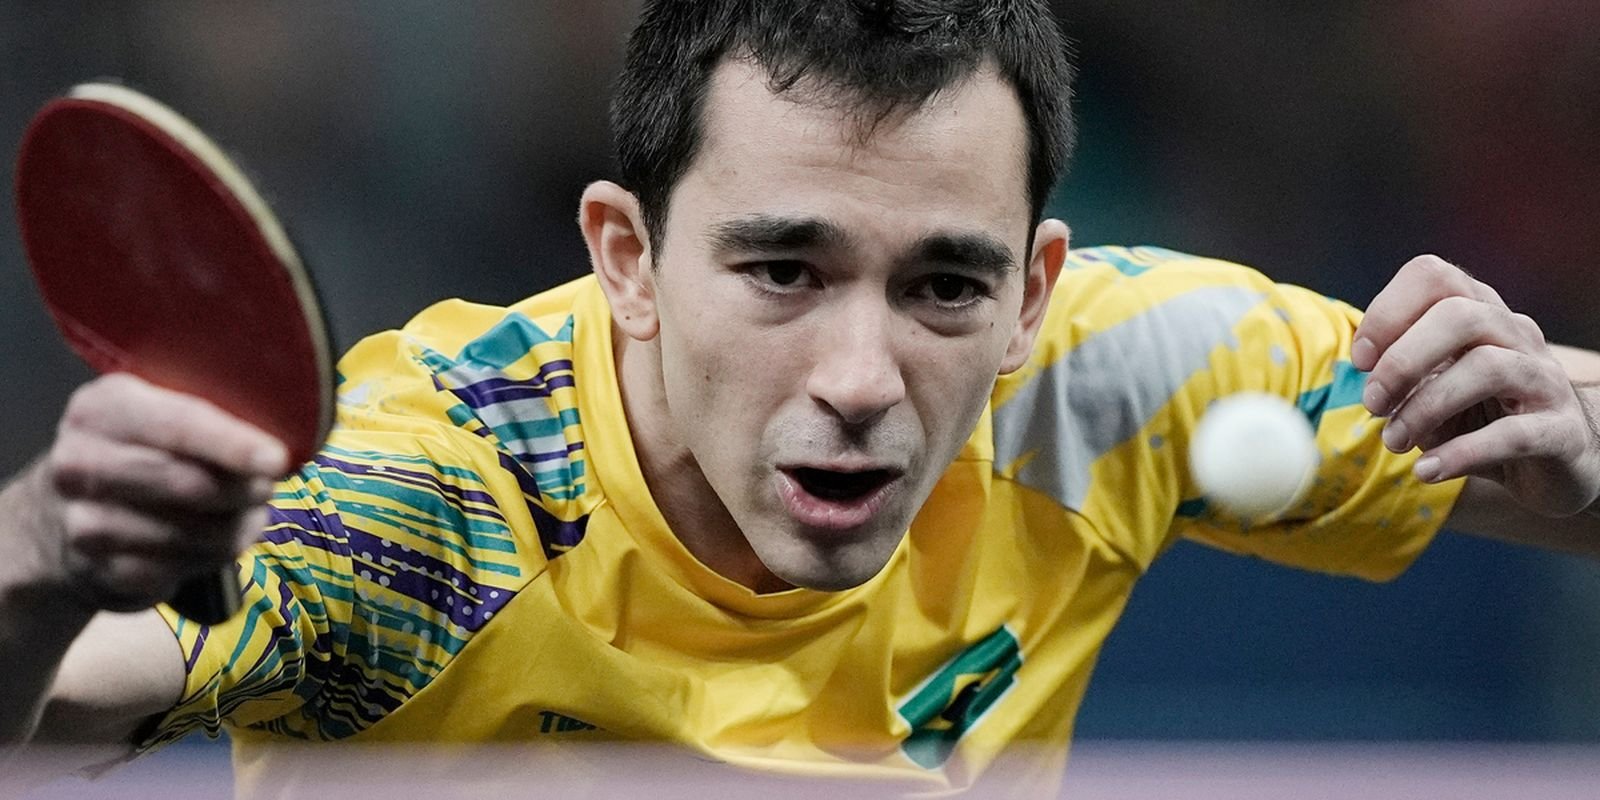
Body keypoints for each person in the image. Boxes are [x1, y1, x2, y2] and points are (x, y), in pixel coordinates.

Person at [4, 0, 1599, 796]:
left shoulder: (1117, 376)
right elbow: (54, 689)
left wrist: (1582, 454)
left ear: (1032, 290)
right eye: (782, 269)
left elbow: (1555, 435)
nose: (859, 381)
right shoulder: (431, 510)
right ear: (628, 258)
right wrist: (48, 550)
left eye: (944, 286)